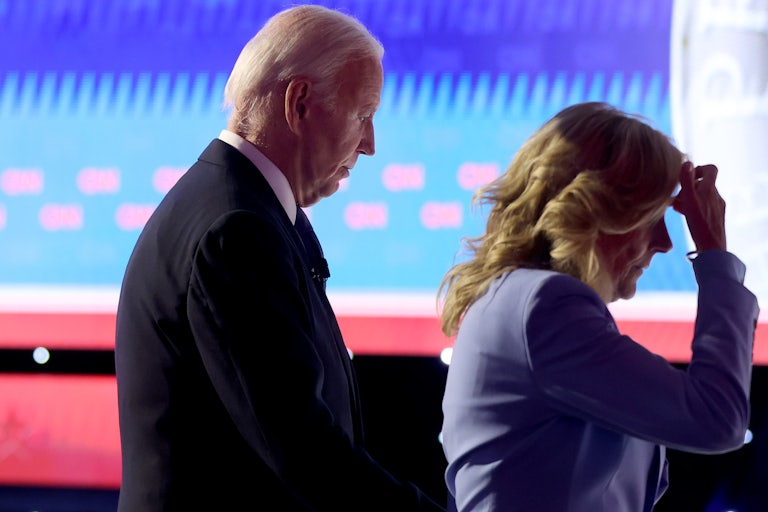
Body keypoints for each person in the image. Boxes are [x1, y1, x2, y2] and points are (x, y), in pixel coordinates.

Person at [114, 5, 445, 511]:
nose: (371, 144)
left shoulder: (241, 207)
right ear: (301, 103)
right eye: (363, 116)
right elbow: (302, 449)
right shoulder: (237, 229)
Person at [438, 102, 759, 511]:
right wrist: (715, 257)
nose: (664, 243)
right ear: (596, 209)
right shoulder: (546, 306)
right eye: (652, 218)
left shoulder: (520, 301)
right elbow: (717, 418)